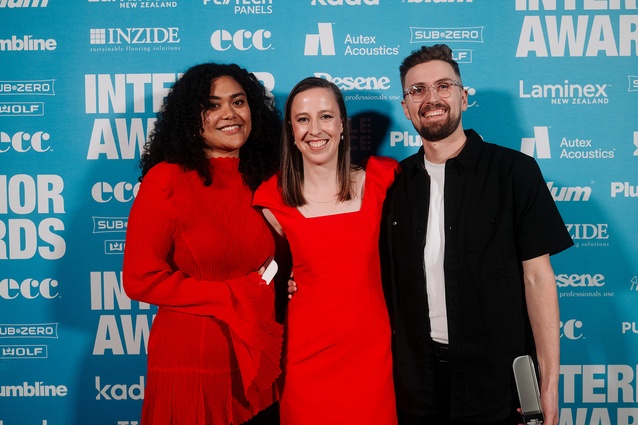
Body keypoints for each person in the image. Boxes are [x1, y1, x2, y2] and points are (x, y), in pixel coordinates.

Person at [380, 44, 574, 425]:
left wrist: (548, 383)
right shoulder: (395, 184)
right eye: (416, 90)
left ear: (463, 97)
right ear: (405, 107)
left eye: (443, 86)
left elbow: (537, 278)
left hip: (497, 381)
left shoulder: (514, 172)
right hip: (417, 383)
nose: (431, 98)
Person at [122, 62, 283, 425]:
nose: (230, 113)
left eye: (238, 102)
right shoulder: (167, 179)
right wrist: (235, 294)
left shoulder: (265, 178)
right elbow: (140, 279)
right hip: (192, 357)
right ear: (191, 118)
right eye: (213, 105)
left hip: (256, 350)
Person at [253, 77, 399, 425]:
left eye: (325, 116)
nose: (314, 129)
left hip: (374, 360)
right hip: (306, 361)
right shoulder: (271, 198)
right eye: (302, 119)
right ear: (290, 129)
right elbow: (257, 272)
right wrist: (276, 282)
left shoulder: (383, 180)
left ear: (343, 126)